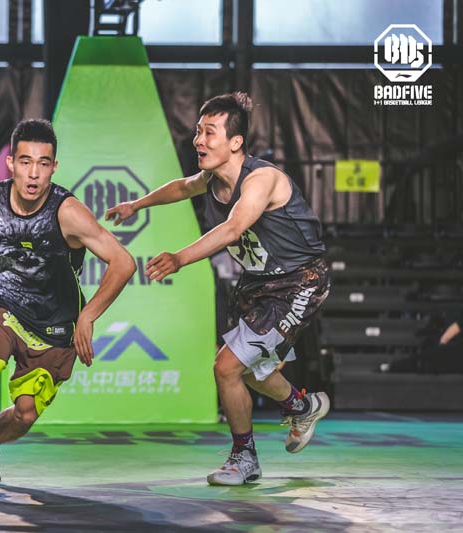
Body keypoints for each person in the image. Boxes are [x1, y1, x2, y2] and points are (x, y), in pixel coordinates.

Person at [105, 92, 331, 486]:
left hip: (300, 280)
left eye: (210, 133)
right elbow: (182, 187)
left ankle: (244, 458)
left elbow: (232, 228)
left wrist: (179, 258)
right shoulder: (211, 179)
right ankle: (302, 407)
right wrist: (136, 205)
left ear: (236, 142)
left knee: (226, 367)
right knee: (251, 371)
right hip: (258, 282)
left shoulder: (261, 180)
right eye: (198, 131)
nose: (199, 140)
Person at [0, 119, 136, 482]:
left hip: (55, 324)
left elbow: (123, 262)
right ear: (11, 163)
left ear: (54, 167)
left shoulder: (68, 212)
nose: (34, 173)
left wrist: (87, 316)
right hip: (5, 303)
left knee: (25, 413)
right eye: (25, 162)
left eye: (43, 163)